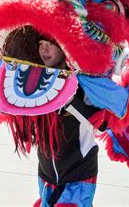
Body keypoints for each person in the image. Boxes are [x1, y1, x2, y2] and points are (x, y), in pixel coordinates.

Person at [35, 39, 105, 207]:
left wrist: (71, 102)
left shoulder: (84, 81)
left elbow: (100, 126)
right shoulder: (35, 79)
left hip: (79, 173)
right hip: (46, 172)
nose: (44, 49)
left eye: (51, 44)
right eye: (40, 43)